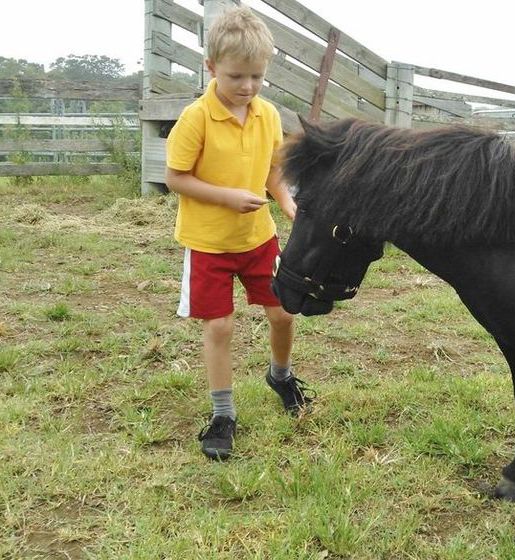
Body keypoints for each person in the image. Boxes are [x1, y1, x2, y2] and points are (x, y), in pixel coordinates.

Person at [165, 6, 313, 461]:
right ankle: (222, 413)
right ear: (211, 68)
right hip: (208, 243)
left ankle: (281, 376)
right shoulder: (196, 118)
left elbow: (273, 173)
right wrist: (227, 197)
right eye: (236, 76)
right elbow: (176, 177)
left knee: (284, 313)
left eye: (256, 76)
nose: (247, 86)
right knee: (220, 326)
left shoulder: (267, 115)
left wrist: (287, 204)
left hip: (258, 239)